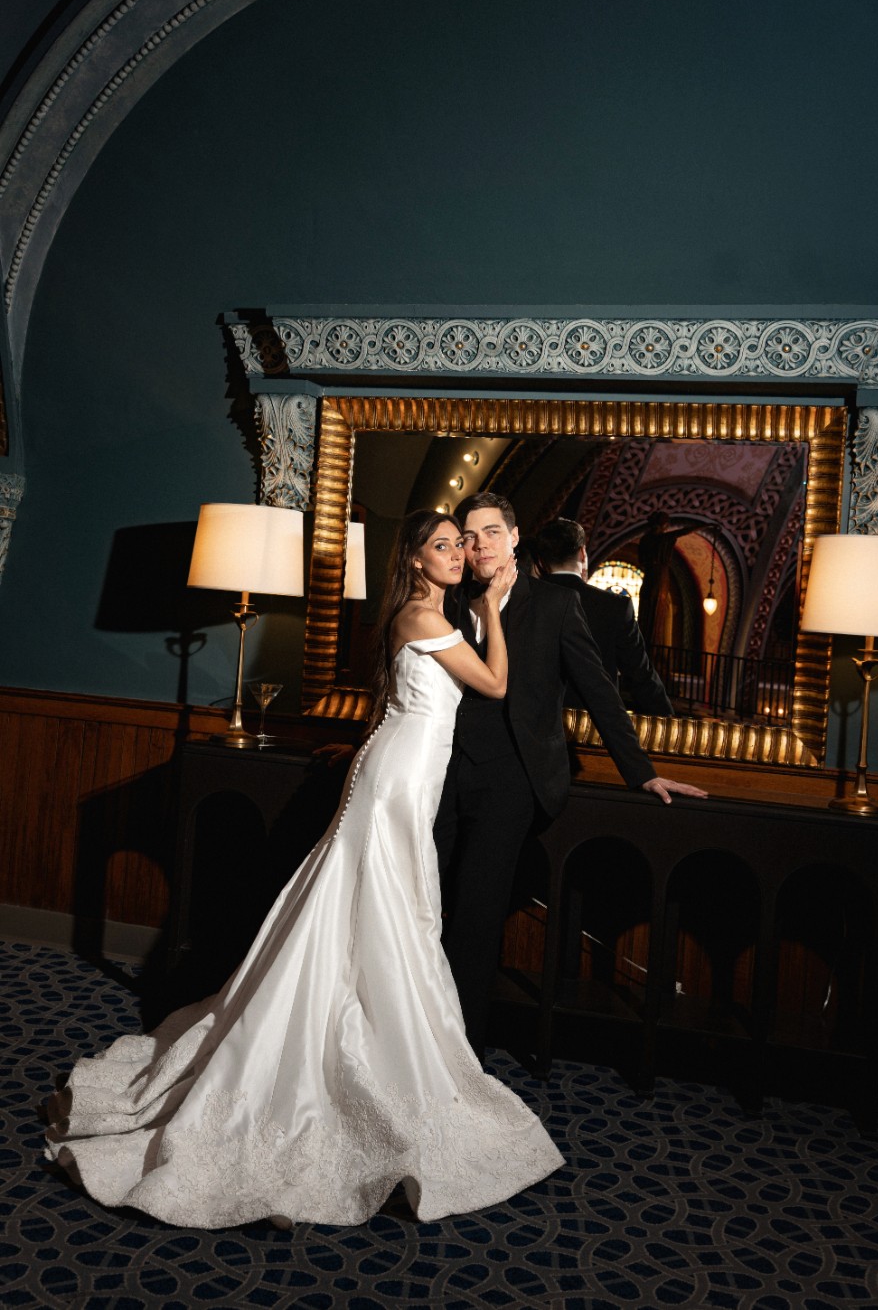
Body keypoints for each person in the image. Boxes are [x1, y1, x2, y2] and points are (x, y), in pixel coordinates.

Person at [45, 510, 563, 1229]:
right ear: (414, 561)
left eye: (458, 543)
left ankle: (376, 1039)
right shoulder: (423, 613)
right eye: (441, 545)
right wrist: (488, 609)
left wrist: (363, 741)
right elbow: (496, 683)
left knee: (381, 906)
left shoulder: (424, 614)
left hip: (403, 774)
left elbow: (398, 703)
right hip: (397, 782)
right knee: (379, 909)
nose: (455, 553)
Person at [434, 492, 707, 1059]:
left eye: (489, 532)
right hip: (438, 774)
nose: (477, 544)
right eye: (467, 535)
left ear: (514, 538)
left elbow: (602, 696)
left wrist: (642, 774)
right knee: (422, 908)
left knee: (475, 916)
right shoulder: (447, 600)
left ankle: (458, 1057)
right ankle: (412, 1042)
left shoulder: (555, 605)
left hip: (513, 779)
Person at [536, 516, 673, 716]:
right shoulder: (615, 606)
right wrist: (667, 719)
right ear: (583, 554)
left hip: (535, 722)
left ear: (540, 562)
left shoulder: (522, 601)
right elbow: (640, 676)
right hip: (593, 726)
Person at [636, 510, 697, 647]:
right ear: (663, 524)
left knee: (652, 606)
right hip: (659, 576)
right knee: (656, 605)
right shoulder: (662, 539)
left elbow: (641, 559)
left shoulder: (645, 540)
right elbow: (684, 531)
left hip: (651, 576)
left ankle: (648, 641)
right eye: (665, 523)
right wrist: (705, 525)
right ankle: (651, 644)